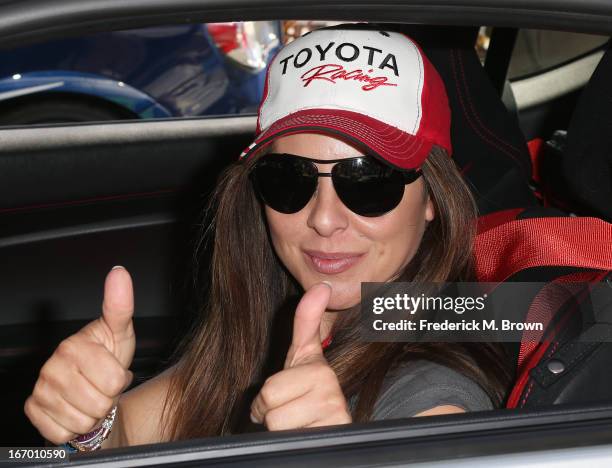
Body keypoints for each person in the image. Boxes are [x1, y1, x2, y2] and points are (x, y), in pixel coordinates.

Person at [24, 24, 510, 450]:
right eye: (288, 179)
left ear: (431, 200)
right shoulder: (269, 324)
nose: (323, 219)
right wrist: (87, 422)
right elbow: (129, 434)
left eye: (368, 181)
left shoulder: (435, 389)